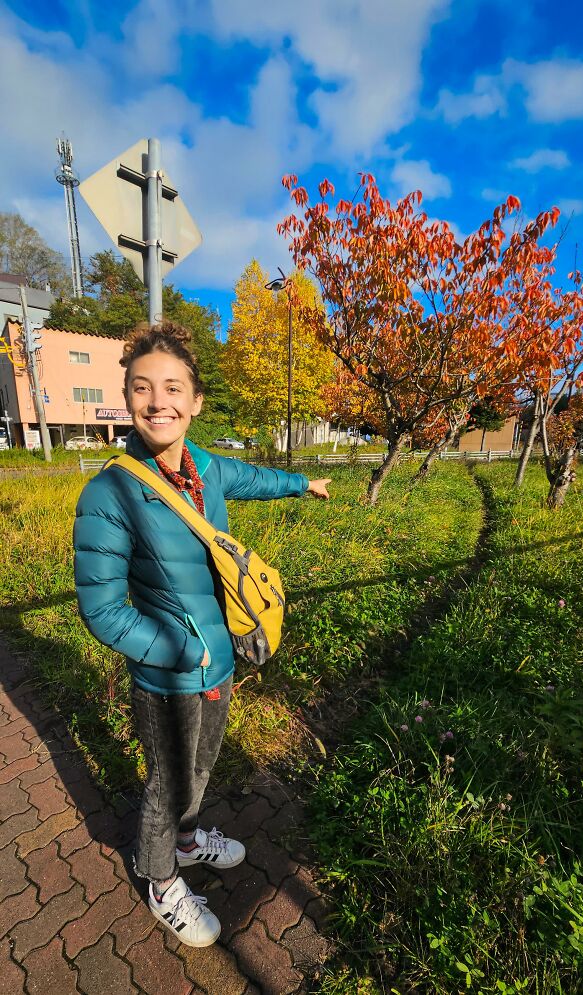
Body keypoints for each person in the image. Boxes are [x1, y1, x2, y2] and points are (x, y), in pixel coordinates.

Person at [73, 321, 331, 947]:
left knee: (203, 768)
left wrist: (304, 483)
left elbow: (256, 478)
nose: (157, 401)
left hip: (221, 662)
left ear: (194, 401)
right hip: (169, 674)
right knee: (169, 781)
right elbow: (102, 610)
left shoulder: (207, 468)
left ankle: (187, 845)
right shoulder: (109, 491)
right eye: (142, 388)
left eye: (171, 388)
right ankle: (161, 879)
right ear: (128, 398)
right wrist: (183, 651)